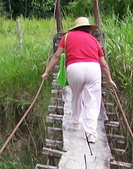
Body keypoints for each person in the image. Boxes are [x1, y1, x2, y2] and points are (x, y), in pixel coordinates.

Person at [41, 16, 116, 144]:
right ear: (88, 29)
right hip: (93, 68)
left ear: (75, 27)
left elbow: (56, 55)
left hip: (74, 68)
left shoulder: (67, 37)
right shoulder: (94, 40)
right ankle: (91, 133)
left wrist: (47, 72)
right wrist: (109, 78)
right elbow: (103, 63)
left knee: (76, 95)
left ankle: (76, 122)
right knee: (92, 100)